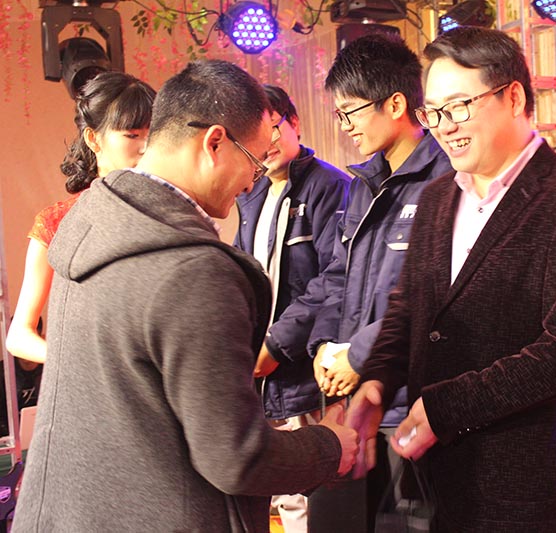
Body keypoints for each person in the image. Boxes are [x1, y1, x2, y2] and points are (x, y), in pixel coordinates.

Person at [13, 59, 358, 532]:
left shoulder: (87, 219)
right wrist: (330, 446)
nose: (252, 180)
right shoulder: (193, 269)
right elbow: (236, 457)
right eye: (254, 161)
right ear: (214, 143)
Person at [346, 26, 556, 532]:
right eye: (433, 112)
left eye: (458, 107)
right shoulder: (437, 197)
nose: (443, 127)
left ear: (513, 97)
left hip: (516, 487)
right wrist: (377, 381)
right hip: (430, 477)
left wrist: (447, 408)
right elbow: (409, 307)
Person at [306, 33, 452, 531]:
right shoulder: (362, 183)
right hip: (350, 402)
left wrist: (361, 355)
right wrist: (325, 348)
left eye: (351, 111)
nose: (344, 126)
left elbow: (433, 293)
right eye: (338, 114)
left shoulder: (445, 180)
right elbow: (337, 275)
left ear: (395, 104)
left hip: (407, 405)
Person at [233, 84, 350, 532]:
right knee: (275, 490)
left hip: (302, 368)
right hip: (259, 371)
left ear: (294, 123)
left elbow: (333, 280)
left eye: (274, 127)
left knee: (309, 490)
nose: (267, 143)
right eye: (255, 133)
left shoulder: (330, 187)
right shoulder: (251, 193)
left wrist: (276, 346)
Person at [6, 72, 155, 365]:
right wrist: (84, 362)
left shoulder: (170, 212)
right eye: (132, 135)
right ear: (93, 138)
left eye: (153, 136)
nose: (145, 147)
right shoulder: (57, 221)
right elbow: (19, 336)